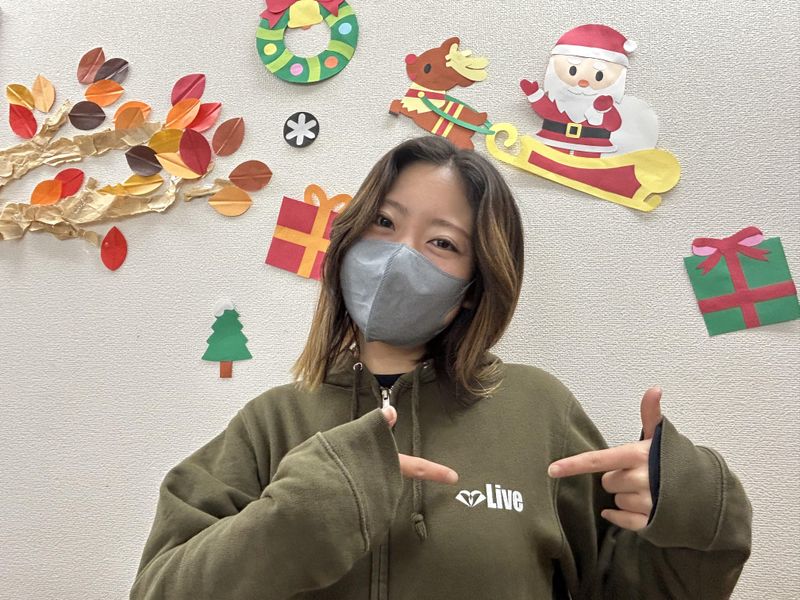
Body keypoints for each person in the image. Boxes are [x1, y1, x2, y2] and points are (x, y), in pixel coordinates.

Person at [129, 136, 752, 599]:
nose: (399, 256)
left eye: (442, 242)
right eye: (384, 222)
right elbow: (160, 589)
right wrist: (303, 513)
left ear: (475, 288)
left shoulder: (538, 410)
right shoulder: (272, 422)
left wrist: (693, 507)